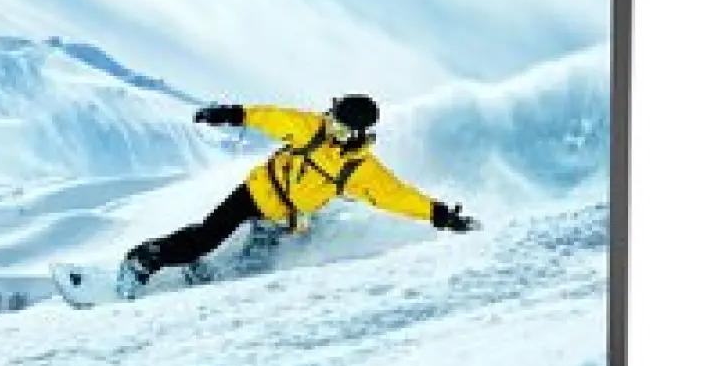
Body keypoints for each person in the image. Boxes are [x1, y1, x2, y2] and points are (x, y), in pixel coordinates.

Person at [116, 94, 478, 297]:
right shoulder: (311, 128)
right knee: (208, 235)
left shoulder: (361, 170)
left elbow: (396, 195)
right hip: (258, 191)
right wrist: (230, 113)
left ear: (357, 134)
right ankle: (143, 260)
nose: (330, 128)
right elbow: (272, 117)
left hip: (286, 219)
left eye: (339, 127)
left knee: (254, 266)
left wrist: (441, 215)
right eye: (331, 119)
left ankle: (203, 271)